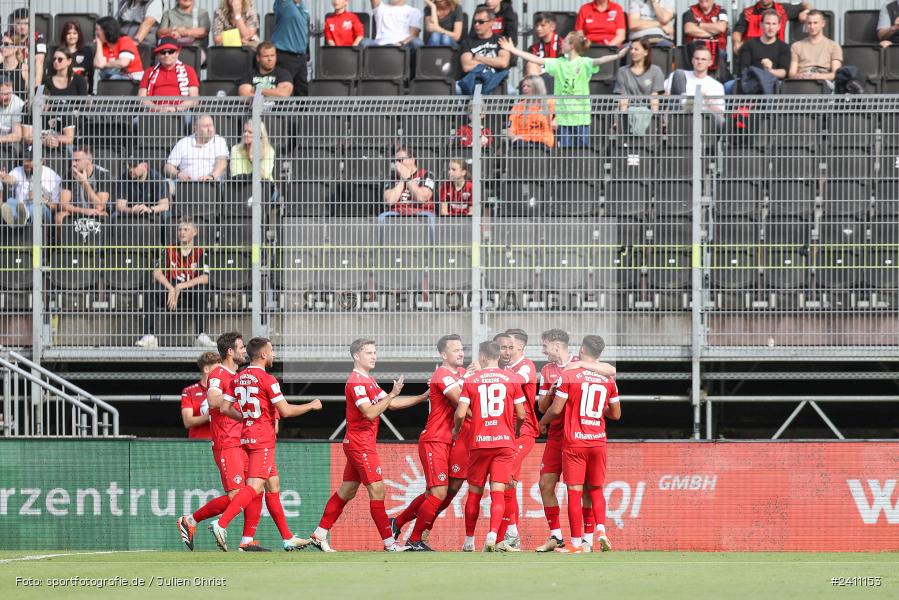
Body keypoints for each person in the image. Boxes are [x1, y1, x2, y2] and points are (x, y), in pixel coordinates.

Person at [305, 338, 427, 552]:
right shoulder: (355, 382)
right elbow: (370, 412)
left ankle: (319, 534)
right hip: (360, 445)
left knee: (347, 491)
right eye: (369, 352)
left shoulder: (369, 380)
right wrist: (392, 394)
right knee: (377, 491)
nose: (374, 356)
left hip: (359, 443)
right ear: (356, 356)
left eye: (375, 352)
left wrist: (423, 396)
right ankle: (390, 544)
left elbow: (392, 404)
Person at [209, 337, 323, 552]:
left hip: (247, 435)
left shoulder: (238, 378)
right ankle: (221, 524)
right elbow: (286, 411)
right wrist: (311, 405)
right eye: (271, 350)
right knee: (254, 486)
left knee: (273, 484)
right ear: (263, 354)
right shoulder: (268, 379)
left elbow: (224, 408)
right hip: (262, 439)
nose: (274, 354)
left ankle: (287, 538)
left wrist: (246, 418)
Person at [177, 332, 272, 551]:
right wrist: (238, 396)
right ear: (230, 351)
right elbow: (213, 399)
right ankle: (190, 520)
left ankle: (247, 541)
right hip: (226, 441)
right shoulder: (219, 373)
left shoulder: (238, 375)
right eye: (240, 347)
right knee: (236, 496)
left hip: (243, 440)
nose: (244, 351)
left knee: (256, 488)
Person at [535, 328, 616, 552]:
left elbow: (611, 370)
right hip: (557, 436)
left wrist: (580, 365)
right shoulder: (547, 370)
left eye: (545, 346)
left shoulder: (580, 362)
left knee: (584, 489)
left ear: (556, 345)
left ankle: (586, 539)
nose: (543, 351)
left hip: (577, 434)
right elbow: (542, 406)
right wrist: (552, 391)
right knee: (545, 484)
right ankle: (556, 535)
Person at [387, 334, 468, 550]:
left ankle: (397, 523)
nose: (461, 353)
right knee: (438, 493)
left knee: (436, 494)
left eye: (462, 349)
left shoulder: (462, 374)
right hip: (435, 439)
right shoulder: (441, 374)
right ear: (444, 354)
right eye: (456, 350)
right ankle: (414, 539)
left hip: (451, 441)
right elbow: (461, 400)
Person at [453, 340, 526, 552]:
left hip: (479, 443)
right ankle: (493, 535)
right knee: (498, 491)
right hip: (504, 443)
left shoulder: (471, 380)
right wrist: (515, 430)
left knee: (474, 493)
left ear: (483, 356)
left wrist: (457, 429)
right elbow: (522, 414)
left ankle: (469, 541)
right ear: (498, 356)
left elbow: (460, 413)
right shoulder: (512, 379)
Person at [500, 32, 626, 148]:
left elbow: (601, 60)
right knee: (565, 154)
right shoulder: (558, 63)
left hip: (580, 116)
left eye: (565, 41)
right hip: (563, 118)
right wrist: (513, 50)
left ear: (571, 46)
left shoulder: (584, 62)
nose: (561, 43)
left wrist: (618, 56)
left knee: (582, 151)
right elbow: (536, 59)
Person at [135, 217, 215, 349]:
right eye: (180, 229)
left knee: (201, 290)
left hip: (189, 292)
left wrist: (180, 286)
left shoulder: (200, 252)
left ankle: (200, 335)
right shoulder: (169, 249)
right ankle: (149, 335)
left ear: (195, 232)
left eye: (186, 229)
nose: (182, 232)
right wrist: (171, 288)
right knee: (151, 290)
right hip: (170, 292)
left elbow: (205, 278)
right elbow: (156, 272)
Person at [492, 329, 538, 552]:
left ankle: (509, 534)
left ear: (519, 347)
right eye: (503, 347)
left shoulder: (526, 366)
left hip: (523, 430)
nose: (507, 351)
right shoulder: (505, 369)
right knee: (507, 482)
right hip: (507, 431)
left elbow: (514, 382)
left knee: (505, 479)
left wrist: (486, 373)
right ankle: (512, 534)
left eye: (510, 347)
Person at [729, 9, 790, 94]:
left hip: (774, 84)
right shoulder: (749, 45)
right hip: (751, 82)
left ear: (779, 26)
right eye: (768, 23)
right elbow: (744, 70)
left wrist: (769, 70)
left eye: (774, 24)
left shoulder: (784, 47)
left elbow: (783, 72)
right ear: (761, 25)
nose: (771, 27)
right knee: (728, 86)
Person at [0, 146, 61, 226]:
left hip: (42, 211)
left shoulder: (53, 178)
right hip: (20, 207)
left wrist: (41, 199)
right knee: (10, 201)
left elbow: (55, 208)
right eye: (25, 159)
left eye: (30, 160)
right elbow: (12, 179)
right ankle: (18, 218)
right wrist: (5, 177)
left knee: (38, 207)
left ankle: (23, 216)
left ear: (42, 160)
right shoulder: (18, 170)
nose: (26, 163)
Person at [456, 7, 511, 96]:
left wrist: (479, 58)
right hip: (472, 82)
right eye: (475, 22)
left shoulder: (501, 40)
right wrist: (494, 61)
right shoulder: (467, 42)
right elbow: (467, 66)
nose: (476, 25)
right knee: (454, 89)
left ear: (491, 22)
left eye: (481, 22)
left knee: (512, 92)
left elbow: (503, 62)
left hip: (495, 82)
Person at [138, 37, 200, 112]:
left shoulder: (189, 70)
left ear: (177, 53)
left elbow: (194, 99)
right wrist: (157, 108)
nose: (167, 55)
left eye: (171, 51)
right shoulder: (149, 72)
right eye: (162, 52)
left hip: (182, 112)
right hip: (154, 113)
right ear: (158, 55)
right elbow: (141, 98)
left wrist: (176, 108)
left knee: (205, 118)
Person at [664, 45, 725, 117]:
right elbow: (664, 96)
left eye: (703, 59)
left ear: (710, 63)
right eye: (697, 58)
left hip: (704, 119)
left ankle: (689, 104)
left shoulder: (717, 86)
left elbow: (721, 114)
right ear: (692, 60)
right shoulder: (679, 76)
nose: (699, 62)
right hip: (679, 116)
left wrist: (708, 104)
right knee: (678, 73)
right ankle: (687, 104)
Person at [380, 147, 436, 224]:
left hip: (421, 215)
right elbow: (390, 201)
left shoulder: (427, 175)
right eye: (395, 161)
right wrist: (403, 179)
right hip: (396, 216)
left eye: (400, 160)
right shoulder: (391, 178)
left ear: (412, 160)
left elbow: (421, 198)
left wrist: (408, 179)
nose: (397, 164)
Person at [787, 9, 841, 89]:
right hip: (802, 81)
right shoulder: (796, 46)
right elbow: (792, 73)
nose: (812, 27)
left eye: (815, 23)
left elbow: (835, 74)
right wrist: (800, 76)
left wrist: (817, 76)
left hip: (823, 82)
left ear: (823, 24)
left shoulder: (834, 46)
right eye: (809, 23)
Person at [165, 115, 229, 182]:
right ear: (196, 129)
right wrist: (178, 174)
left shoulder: (219, 141)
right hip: (186, 184)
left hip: (211, 184)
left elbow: (222, 163)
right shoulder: (184, 142)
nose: (210, 129)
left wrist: (212, 176)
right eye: (206, 126)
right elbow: (168, 167)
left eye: (211, 125)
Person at [57, 147, 112, 225]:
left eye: (77, 160)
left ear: (89, 160)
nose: (73, 164)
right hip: (76, 211)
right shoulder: (68, 175)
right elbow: (62, 205)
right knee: (59, 217)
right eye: (72, 160)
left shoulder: (103, 175)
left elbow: (100, 206)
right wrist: (83, 211)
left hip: (97, 212)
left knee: (103, 216)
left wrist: (84, 183)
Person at [732, 0, 811, 53]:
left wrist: (806, 12)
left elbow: (805, 4)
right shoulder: (748, 12)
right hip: (753, 55)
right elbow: (738, 31)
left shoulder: (782, 9)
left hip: (777, 53)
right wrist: (736, 43)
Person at [613, 38, 665, 112]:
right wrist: (623, 115)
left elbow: (654, 97)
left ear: (646, 52)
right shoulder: (622, 71)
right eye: (631, 49)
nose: (632, 51)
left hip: (647, 112)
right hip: (629, 112)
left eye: (636, 49)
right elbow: (623, 98)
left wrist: (654, 116)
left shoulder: (656, 71)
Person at [271, 0, 309, 96]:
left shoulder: (301, 5)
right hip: (285, 55)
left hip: (301, 57)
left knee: (302, 93)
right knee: (283, 93)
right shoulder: (284, 3)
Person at [508, 75, 556, 149]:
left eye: (528, 86)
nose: (525, 88)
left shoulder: (550, 103)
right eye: (523, 86)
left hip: (543, 143)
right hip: (523, 144)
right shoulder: (517, 107)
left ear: (537, 87)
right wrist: (514, 137)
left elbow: (564, 115)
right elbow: (510, 129)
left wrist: (556, 119)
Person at [180, 351, 218, 440]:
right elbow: (187, 422)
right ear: (206, 369)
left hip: (220, 443)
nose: (220, 372)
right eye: (217, 369)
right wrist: (208, 416)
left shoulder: (224, 390)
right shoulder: (189, 391)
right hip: (198, 445)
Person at [683, 0, 729, 73]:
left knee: (720, 55)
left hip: (717, 49)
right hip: (695, 49)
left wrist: (698, 24)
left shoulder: (721, 11)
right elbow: (688, 29)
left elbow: (721, 28)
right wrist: (713, 33)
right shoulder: (690, 11)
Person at [94, 16, 145, 81]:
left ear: (106, 30)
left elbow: (123, 63)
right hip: (111, 80)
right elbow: (98, 64)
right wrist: (99, 43)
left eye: (97, 30)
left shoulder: (125, 41)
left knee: (114, 78)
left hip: (132, 79)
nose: (96, 33)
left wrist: (105, 64)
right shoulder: (103, 45)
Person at [10, 7, 47, 88]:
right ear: (13, 24)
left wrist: (36, 87)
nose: (22, 27)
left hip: (32, 77)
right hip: (11, 78)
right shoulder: (7, 37)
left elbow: (39, 62)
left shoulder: (38, 37)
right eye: (18, 23)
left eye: (26, 23)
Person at [56, 21, 95, 94]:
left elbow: (89, 73)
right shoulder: (58, 52)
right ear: (64, 35)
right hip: (62, 88)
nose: (71, 36)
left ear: (79, 35)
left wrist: (90, 93)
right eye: (68, 33)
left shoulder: (87, 52)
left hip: (80, 90)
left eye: (74, 33)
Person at [526, 12, 562, 91]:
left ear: (552, 27)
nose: (538, 29)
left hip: (559, 80)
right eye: (537, 25)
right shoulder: (534, 48)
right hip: (539, 80)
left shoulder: (563, 45)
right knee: (531, 65)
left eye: (542, 25)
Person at [0, 33, 28, 97]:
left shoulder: (24, 68)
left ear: (15, 48)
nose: (2, 47)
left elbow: (31, 92)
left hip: (20, 103)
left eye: (6, 44)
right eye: (1, 44)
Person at [0, 78, 24, 151]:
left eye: (10, 93)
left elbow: (17, 135)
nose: (8, 97)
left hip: (10, 143)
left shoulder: (18, 103)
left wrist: (1, 139)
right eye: (4, 94)